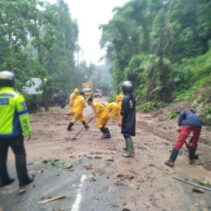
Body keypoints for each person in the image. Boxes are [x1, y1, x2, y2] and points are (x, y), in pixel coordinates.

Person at [0, 71, 33, 188]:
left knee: (1, 157)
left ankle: (3, 180)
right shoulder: (16, 96)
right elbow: (23, 117)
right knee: (20, 155)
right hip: (14, 134)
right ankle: (23, 179)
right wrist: (27, 131)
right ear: (12, 82)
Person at [119, 81, 136, 157]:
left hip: (126, 118)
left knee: (126, 132)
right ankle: (128, 147)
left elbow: (123, 112)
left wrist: (120, 120)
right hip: (131, 117)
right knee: (126, 132)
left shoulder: (125, 98)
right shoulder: (132, 96)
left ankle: (130, 151)